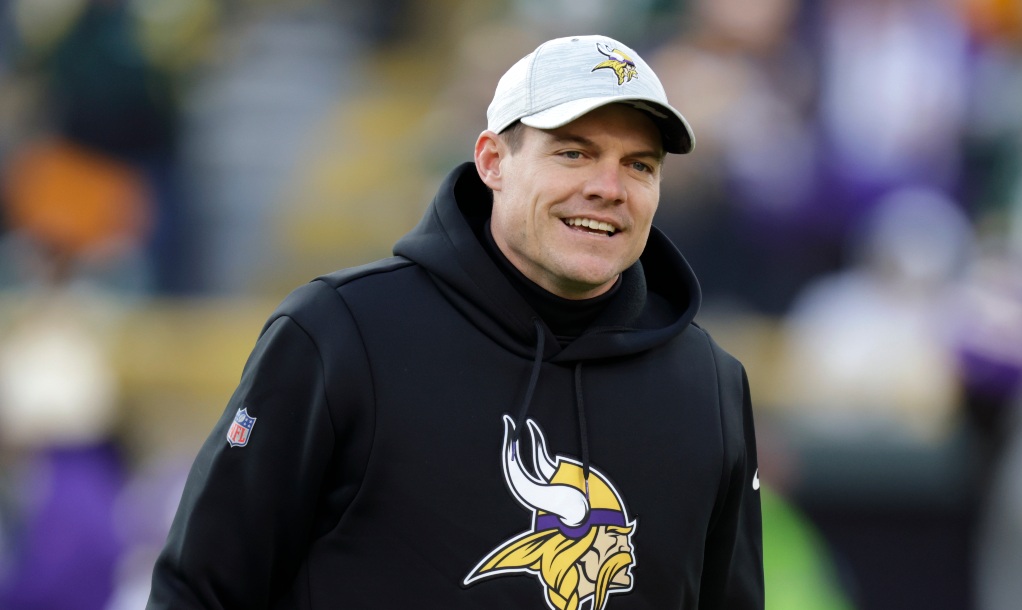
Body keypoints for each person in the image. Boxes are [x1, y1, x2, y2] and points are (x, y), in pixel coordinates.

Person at [148, 34, 764, 609]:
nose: (610, 187)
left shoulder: (709, 386)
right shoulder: (341, 332)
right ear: (492, 161)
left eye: (640, 165)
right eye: (574, 153)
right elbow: (200, 589)